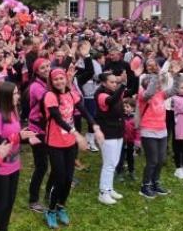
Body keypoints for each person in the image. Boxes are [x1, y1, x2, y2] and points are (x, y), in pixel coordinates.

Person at [43, 68, 102, 228]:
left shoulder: (71, 93)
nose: (59, 82)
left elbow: (83, 110)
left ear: (66, 79)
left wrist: (95, 126)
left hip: (69, 142)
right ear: (51, 81)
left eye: (61, 78)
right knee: (60, 178)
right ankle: (50, 210)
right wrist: (76, 133)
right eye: (55, 79)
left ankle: (61, 207)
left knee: (69, 179)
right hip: (55, 142)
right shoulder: (50, 96)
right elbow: (57, 118)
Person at [0, 81, 33, 231]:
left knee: (10, 202)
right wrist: (17, 136)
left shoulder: (14, 112)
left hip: (15, 165)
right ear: (6, 96)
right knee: (1, 204)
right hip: (2, 167)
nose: (18, 96)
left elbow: (15, 138)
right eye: (15, 93)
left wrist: (28, 139)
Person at [137, 58, 179, 199]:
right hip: (148, 130)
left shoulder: (161, 94)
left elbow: (174, 90)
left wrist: (177, 75)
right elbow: (149, 92)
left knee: (161, 159)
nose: (157, 85)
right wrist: (156, 75)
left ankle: (155, 182)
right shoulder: (143, 95)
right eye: (153, 83)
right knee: (152, 160)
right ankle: (145, 186)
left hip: (162, 130)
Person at [94, 73, 125, 205]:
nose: (114, 84)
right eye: (112, 82)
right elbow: (111, 101)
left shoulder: (114, 92)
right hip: (108, 133)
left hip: (118, 131)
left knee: (114, 162)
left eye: (115, 82)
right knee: (109, 164)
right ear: (104, 83)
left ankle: (109, 188)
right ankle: (103, 193)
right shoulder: (100, 94)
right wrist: (122, 85)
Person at [27, 57, 50, 213]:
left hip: (49, 129)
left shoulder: (48, 82)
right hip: (37, 130)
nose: (47, 69)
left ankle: (49, 192)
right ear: (36, 71)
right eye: (42, 68)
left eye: (48, 66)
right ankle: (33, 199)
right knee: (41, 166)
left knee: (52, 163)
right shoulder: (36, 86)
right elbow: (48, 102)